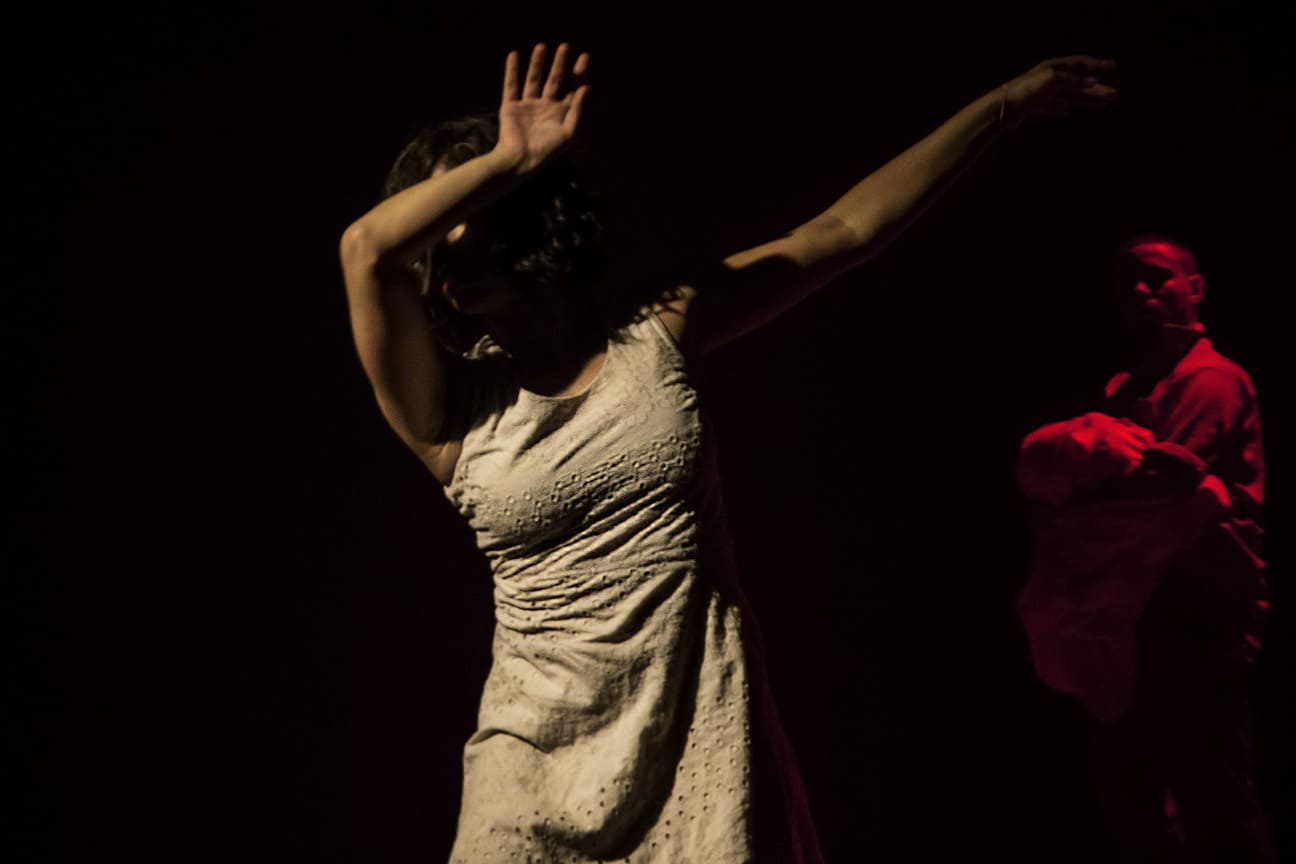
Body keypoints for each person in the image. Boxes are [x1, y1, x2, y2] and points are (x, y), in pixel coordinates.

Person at [340, 42, 1116, 863]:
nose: (444, 250)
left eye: (466, 211)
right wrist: (508, 158)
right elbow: (366, 250)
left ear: (523, 209)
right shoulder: (448, 410)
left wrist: (1002, 105)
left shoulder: (653, 334)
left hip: (697, 735)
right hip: (528, 768)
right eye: (432, 227)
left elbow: (844, 231)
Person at [1016, 236, 1272, 863]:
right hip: (1133, 619)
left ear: (1195, 288)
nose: (1139, 291)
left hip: (1197, 616)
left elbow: (1153, 489)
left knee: (1213, 801)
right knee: (1135, 797)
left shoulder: (1210, 380)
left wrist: (1071, 490)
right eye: (1128, 282)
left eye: (1157, 278)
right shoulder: (1128, 388)